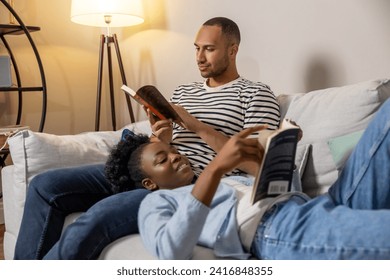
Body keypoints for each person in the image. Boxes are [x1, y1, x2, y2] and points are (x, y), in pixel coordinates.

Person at [14, 17, 280, 259]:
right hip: (155, 165)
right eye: (196, 48)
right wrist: (159, 137)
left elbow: (259, 161)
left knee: (99, 217)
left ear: (233, 50)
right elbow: (163, 144)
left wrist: (196, 126)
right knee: (45, 185)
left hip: (188, 181)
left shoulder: (255, 93)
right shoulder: (184, 92)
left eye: (209, 49)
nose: (199, 57)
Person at [136, 99, 390, 260]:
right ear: (149, 183)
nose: (175, 157)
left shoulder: (229, 182)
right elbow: (170, 251)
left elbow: (284, 194)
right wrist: (215, 168)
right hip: (277, 229)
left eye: (175, 151)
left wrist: (278, 151)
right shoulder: (157, 201)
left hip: (315, 204)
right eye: (162, 159)